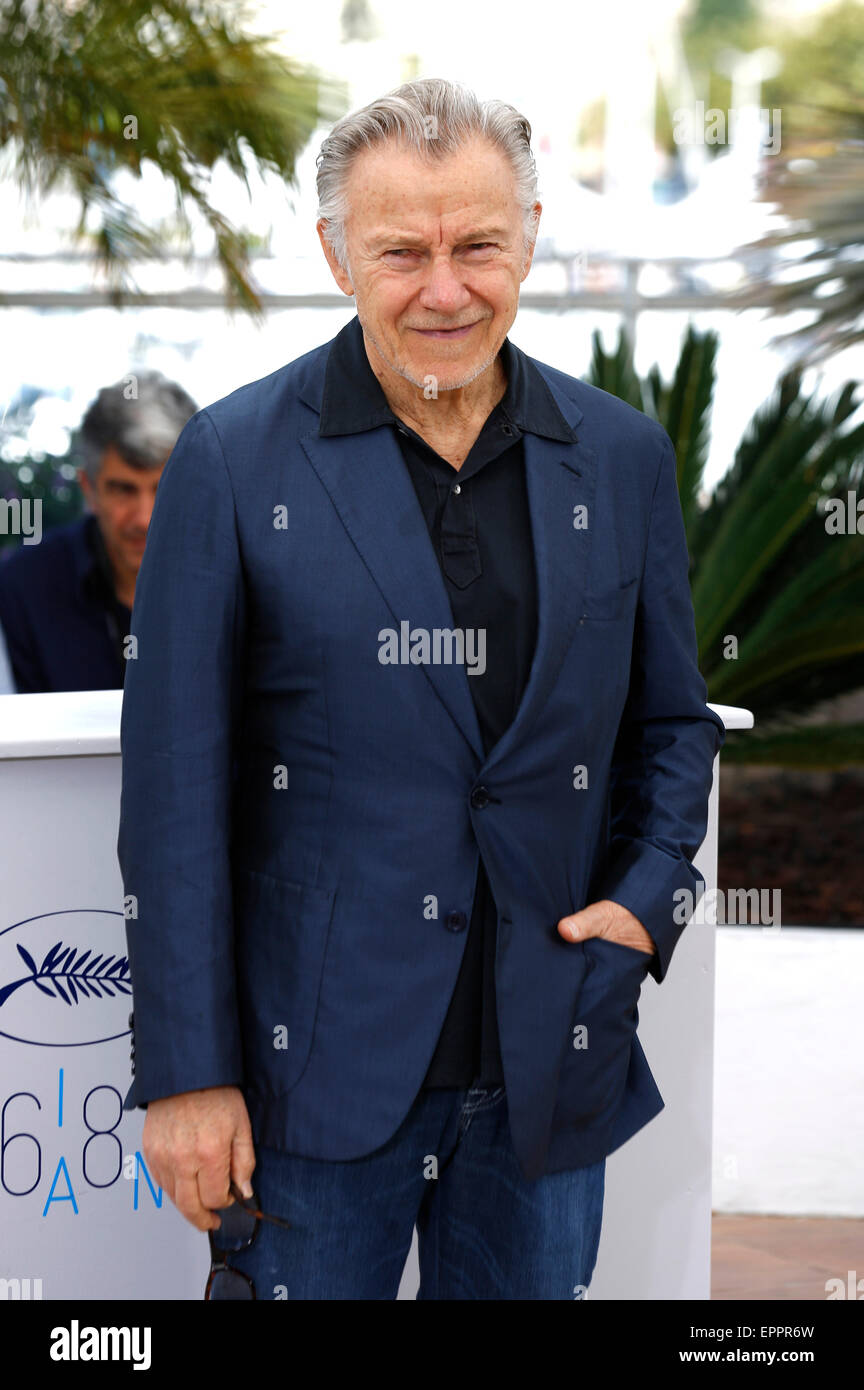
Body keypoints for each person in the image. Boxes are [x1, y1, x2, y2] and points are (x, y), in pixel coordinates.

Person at [119, 78, 725, 1300]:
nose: (446, 289)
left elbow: (671, 721)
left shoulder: (619, 455)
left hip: (550, 1061)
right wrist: (188, 1072)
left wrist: (644, 903)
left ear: (533, 237)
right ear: (337, 255)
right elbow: (176, 792)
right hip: (313, 1082)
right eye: (403, 251)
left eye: (478, 246)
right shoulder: (234, 462)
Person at [0, 372, 197, 692]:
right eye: (124, 490)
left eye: (166, 489)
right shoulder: (24, 587)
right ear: (88, 489)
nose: (145, 518)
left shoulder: (244, 578)